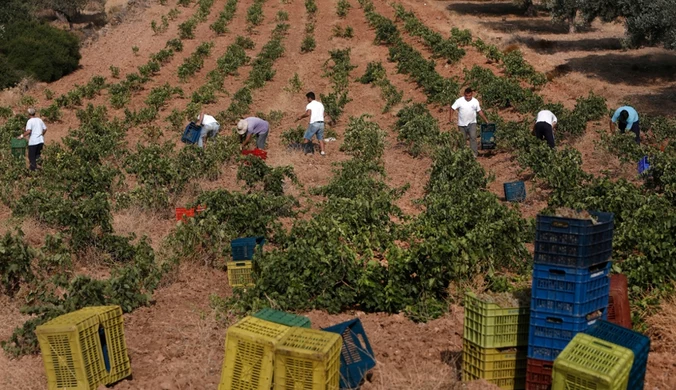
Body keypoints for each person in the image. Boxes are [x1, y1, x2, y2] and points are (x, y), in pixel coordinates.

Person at [450, 88, 489, 157]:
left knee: (473, 137)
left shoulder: (475, 101)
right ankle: (462, 155)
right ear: (464, 94)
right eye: (466, 96)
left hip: (472, 123)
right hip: (461, 124)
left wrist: (485, 120)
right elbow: (452, 108)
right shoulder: (459, 101)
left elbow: (479, 111)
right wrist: (450, 117)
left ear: (472, 95)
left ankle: (474, 154)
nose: (468, 97)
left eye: (469, 96)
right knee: (462, 139)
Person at [295, 92, 327, 156]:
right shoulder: (320, 104)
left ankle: (306, 152)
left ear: (309, 98)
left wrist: (300, 117)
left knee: (306, 137)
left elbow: (308, 113)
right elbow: (324, 114)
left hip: (314, 124)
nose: (307, 100)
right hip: (321, 123)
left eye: (307, 98)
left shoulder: (310, 105)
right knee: (320, 139)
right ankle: (323, 152)